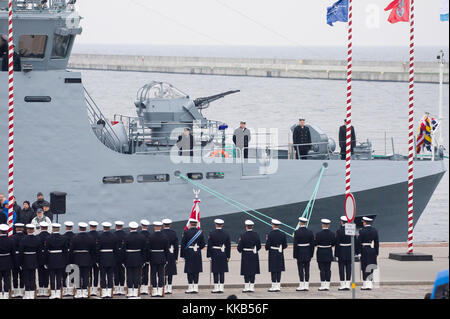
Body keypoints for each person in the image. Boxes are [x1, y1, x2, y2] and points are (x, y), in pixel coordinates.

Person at [70, 222, 96, 299]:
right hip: (87, 258)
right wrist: (92, 260)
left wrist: (71, 260)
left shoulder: (74, 237)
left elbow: (71, 250)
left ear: (79, 228)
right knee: (85, 276)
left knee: (77, 275)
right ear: (86, 229)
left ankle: (78, 292)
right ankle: (84, 292)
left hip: (77, 258)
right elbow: (93, 250)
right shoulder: (90, 238)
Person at [180, 218, 205, 294]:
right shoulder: (200, 232)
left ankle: (190, 288)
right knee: (196, 270)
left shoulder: (186, 232)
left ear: (190, 224)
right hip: (197, 252)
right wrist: (197, 248)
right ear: (196, 224)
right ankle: (196, 287)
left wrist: (182, 255)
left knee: (189, 270)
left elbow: (183, 244)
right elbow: (203, 244)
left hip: (189, 252)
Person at [207, 219, 231, 294]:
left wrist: (209, 255)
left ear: (216, 225)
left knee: (215, 271)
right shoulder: (226, 233)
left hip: (215, 253)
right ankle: (221, 288)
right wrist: (228, 256)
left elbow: (209, 245)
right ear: (222, 225)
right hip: (223, 253)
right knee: (222, 271)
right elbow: (228, 246)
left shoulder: (212, 233)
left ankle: (216, 288)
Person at [123, 221, 146, 299]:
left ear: (130, 228)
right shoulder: (142, 237)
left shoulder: (126, 237)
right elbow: (144, 250)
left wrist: (123, 260)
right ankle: (136, 292)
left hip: (129, 258)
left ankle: (130, 292)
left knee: (129, 275)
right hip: (138, 257)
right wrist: (143, 260)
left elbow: (123, 250)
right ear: (137, 228)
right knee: (137, 275)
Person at [237, 220, 261, 293]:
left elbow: (239, 247)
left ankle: (246, 287)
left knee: (246, 271)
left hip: (246, 255)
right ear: (252, 227)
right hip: (254, 254)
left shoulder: (243, 235)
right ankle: (252, 287)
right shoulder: (256, 235)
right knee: (253, 271)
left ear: (246, 226)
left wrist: (240, 250)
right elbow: (259, 246)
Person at [46, 223, 69, 299]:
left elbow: (46, 251)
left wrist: (46, 262)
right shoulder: (63, 238)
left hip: (51, 259)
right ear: (59, 229)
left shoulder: (48, 238)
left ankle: (53, 293)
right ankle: (58, 293)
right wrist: (65, 261)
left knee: (52, 277)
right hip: (60, 259)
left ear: (52, 229)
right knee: (59, 277)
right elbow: (65, 251)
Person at [18, 224, 42, 299]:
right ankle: (31, 294)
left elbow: (21, 252)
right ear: (34, 230)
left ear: (27, 230)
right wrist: (38, 261)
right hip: (34, 259)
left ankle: (27, 294)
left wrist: (20, 262)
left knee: (26, 277)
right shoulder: (37, 239)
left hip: (25, 260)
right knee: (32, 277)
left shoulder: (23, 239)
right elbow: (39, 252)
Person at [96, 222, 118, 299]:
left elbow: (97, 249)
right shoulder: (114, 236)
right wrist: (115, 259)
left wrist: (97, 260)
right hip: (111, 257)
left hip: (102, 258)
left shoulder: (100, 236)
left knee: (102, 276)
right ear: (109, 228)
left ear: (103, 228)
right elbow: (116, 250)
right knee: (110, 276)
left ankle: (104, 293)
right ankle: (109, 292)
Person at [148, 221, 169, 297]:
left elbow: (148, 249)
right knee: (161, 274)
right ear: (161, 227)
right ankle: (160, 291)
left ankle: (154, 290)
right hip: (162, 256)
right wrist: (166, 259)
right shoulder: (165, 236)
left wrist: (148, 258)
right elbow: (167, 249)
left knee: (153, 274)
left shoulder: (150, 236)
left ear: (154, 227)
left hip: (153, 256)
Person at [265, 219, 287, 292]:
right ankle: (278, 286)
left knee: (273, 269)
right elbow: (285, 245)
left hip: (272, 253)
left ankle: (273, 286)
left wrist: (268, 248)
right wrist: (280, 247)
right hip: (280, 252)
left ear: (273, 225)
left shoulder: (270, 234)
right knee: (279, 269)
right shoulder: (283, 234)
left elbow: (267, 246)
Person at [293, 217, 315, 291]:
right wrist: (311, 254)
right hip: (308, 252)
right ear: (305, 223)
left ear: (300, 223)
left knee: (300, 269)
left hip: (299, 252)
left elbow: (295, 245)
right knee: (307, 269)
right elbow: (312, 244)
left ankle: (301, 284)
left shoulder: (296, 232)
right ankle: (307, 285)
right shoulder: (310, 232)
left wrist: (295, 255)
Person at [358, 217, 379, 291]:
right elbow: (376, 243)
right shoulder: (375, 231)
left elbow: (359, 243)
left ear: (365, 223)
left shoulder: (361, 231)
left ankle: (365, 284)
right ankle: (369, 284)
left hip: (364, 250)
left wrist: (359, 252)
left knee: (364, 267)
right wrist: (376, 252)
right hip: (372, 250)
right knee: (371, 266)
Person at [315, 219, 336, 291]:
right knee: (328, 269)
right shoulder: (332, 234)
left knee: (322, 270)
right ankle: (327, 285)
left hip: (320, 252)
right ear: (329, 225)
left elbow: (315, 243)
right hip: (329, 252)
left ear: (322, 225)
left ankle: (323, 285)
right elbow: (333, 244)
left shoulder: (318, 234)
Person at [335, 216, 353, 291]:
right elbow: (354, 241)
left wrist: (336, 255)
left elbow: (337, 243)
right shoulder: (351, 229)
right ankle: (348, 285)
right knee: (349, 268)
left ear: (341, 222)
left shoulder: (339, 231)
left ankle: (342, 285)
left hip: (341, 251)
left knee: (341, 268)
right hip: (349, 250)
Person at [161, 218, 178, 295]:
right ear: (170, 225)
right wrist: (176, 257)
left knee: (163, 271)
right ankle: (169, 287)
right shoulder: (174, 233)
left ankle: (164, 287)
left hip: (162, 253)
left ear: (163, 225)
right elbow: (176, 246)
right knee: (170, 271)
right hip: (171, 253)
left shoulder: (161, 233)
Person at [11, 223, 26, 298]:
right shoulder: (25, 237)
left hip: (15, 258)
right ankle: (22, 291)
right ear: (23, 229)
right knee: (22, 275)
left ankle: (16, 291)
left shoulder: (12, 238)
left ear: (16, 229)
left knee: (15, 275)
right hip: (23, 257)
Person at [0, 224, 15, 300]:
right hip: (7, 262)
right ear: (6, 232)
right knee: (7, 279)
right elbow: (13, 253)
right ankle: (6, 295)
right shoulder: (11, 240)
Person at [36, 221, 51, 297]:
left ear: (41, 228)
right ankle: (46, 290)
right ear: (47, 228)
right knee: (46, 274)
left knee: (40, 273)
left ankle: (41, 289)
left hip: (39, 257)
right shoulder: (50, 236)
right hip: (48, 257)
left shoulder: (37, 236)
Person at [113, 220, 126, 296]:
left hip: (115, 256)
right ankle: (121, 288)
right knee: (122, 272)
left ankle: (116, 288)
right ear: (122, 227)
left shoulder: (113, 235)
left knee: (116, 272)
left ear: (115, 227)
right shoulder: (125, 235)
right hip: (123, 256)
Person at [62, 221, 75, 296]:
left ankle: (64, 288)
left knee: (64, 273)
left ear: (66, 227)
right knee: (72, 272)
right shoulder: (75, 236)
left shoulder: (63, 236)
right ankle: (71, 289)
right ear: (72, 227)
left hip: (64, 256)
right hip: (73, 256)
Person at [88, 221, 100, 296]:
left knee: (88, 274)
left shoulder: (87, 235)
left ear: (90, 227)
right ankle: (94, 289)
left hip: (89, 257)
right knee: (96, 274)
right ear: (96, 227)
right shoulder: (99, 235)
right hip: (97, 258)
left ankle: (89, 289)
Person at [139, 219, 151, 295]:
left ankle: (139, 288)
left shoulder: (138, 234)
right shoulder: (150, 235)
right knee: (146, 273)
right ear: (147, 226)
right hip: (147, 257)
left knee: (139, 273)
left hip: (139, 257)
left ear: (141, 226)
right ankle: (145, 288)